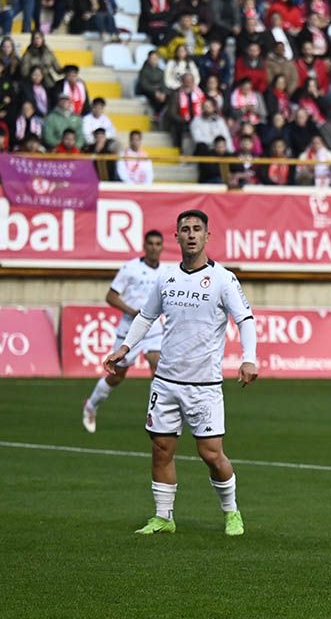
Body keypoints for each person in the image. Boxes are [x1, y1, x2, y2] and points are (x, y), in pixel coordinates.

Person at [104, 210, 259, 536]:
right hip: (166, 381)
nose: (190, 234)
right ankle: (164, 517)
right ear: (177, 237)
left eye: (197, 229)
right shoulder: (167, 278)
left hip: (203, 385)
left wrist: (249, 359)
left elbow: (244, 319)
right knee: (161, 448)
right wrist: (125, 348)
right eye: (185, 229)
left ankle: (232, 512)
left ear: (207, 236)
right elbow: (146, 317)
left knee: (211, 454)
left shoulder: (224, 278)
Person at [82, 230, 168, 433]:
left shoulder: (166, 272)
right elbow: (110, 296)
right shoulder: (130, 269)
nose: (154, 248)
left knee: (158, 367)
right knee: (116, 376)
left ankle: (155, 415)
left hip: (155, 330)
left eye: (158, 244)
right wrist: (133, 312)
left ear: (162, 247)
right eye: (151, 244)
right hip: (130, 331)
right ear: (144, 246)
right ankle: (91, 405)